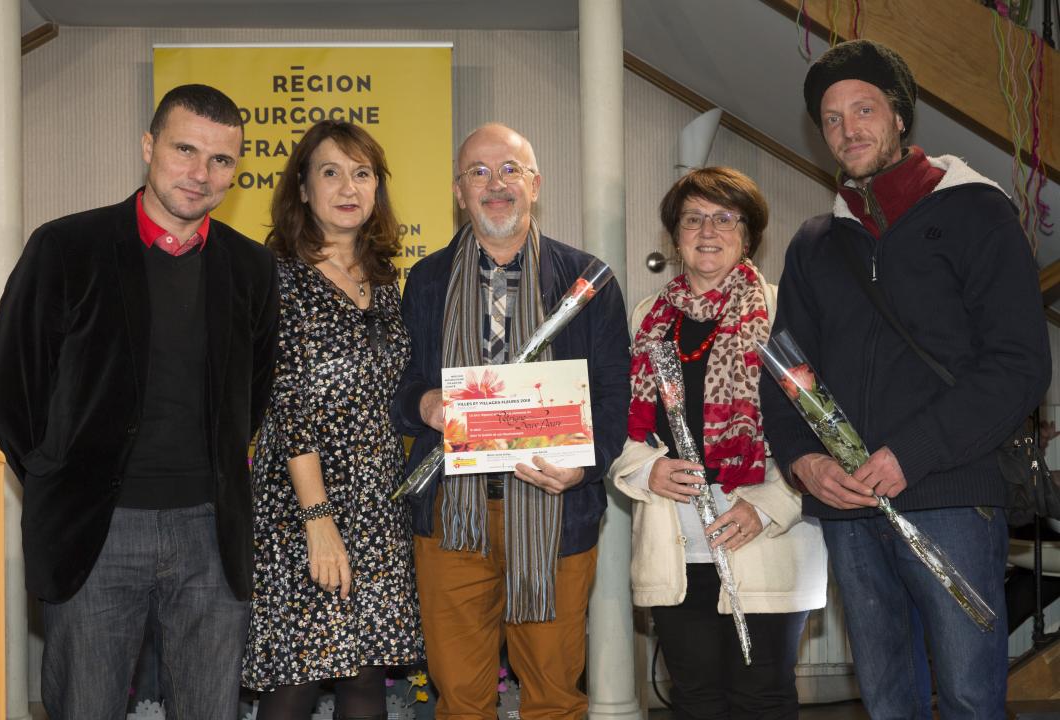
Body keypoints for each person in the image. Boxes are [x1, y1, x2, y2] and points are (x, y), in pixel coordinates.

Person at [759, 39, 1051, 719]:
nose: (848, 130)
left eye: (864, 110)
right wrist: (804, 463)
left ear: (899, 117)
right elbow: (785, 373)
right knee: (887, 699)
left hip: (951, 496)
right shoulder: (815, 242)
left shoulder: (977, 211)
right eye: (832, 119)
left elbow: (1019, 364)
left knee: (971, 698)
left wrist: (908, 455)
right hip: (848, 510)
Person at [0, 84, 280, 719]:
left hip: (211, 532)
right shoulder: (67, 247)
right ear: (149, 146)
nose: (200, 174)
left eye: (221, 160)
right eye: (184, 150)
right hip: (97, 530)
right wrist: (56, 476)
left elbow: (252, 392)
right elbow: (13, 386)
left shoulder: (251, 267)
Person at [390, 122, 631, 719]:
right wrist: (425, 404)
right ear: (459, 191)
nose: (495, 184)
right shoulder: (426, 280)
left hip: (555, 514)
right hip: (452, 517)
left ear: (535, 184)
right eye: (478, 172)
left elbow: (612, 397)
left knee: (554, 697)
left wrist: (582, 469)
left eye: (510, 170)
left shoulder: (588, 280)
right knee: (460, 699)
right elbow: (400, 386)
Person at [610, 167, 827, 720]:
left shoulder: (783, 310)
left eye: (725, 218)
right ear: (675, 237)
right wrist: (646, 470)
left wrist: (770, 506)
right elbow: (621, 424)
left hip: (766, 536)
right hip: (675, 543)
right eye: (693, 219)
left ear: (748, 235)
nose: (708, 231)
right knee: (695, 700)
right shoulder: (646, 317)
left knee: (762, 699)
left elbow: (823, 429)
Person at [241, 120, 424, 720]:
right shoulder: (276, 277)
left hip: (377, 500)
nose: (349, 187)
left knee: (366, 675)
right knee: (296, 674)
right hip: (302, 500)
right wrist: (317, 520)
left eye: (362, 173)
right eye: (331, 172)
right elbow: (289, 404)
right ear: (302, 188)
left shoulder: (386, 281)